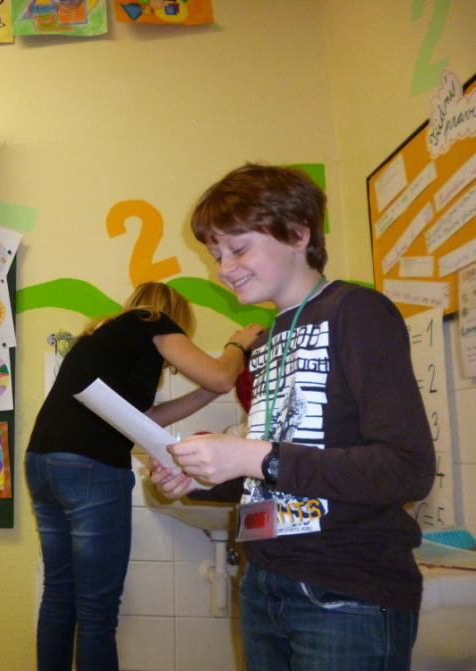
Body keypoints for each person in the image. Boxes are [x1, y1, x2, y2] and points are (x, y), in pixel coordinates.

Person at [151, 163, 436, 671]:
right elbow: (283, 469)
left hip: (344, 591)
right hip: (265, 579)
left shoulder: (357, 311)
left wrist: (253, 456)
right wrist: (203, 475)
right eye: (216, 255)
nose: (224, 268)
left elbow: (406, 468)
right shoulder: (267, 339)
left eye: (239, 248)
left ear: (299, 234)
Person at [25, 281, 263, 671]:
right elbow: (222, 376)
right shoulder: (150, 320)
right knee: (97, 611)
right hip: (90, 466)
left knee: (59, 597)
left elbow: (146, 420)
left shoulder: (105, 340)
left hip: (43, 463)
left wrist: (208, 392)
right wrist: (238, 344)